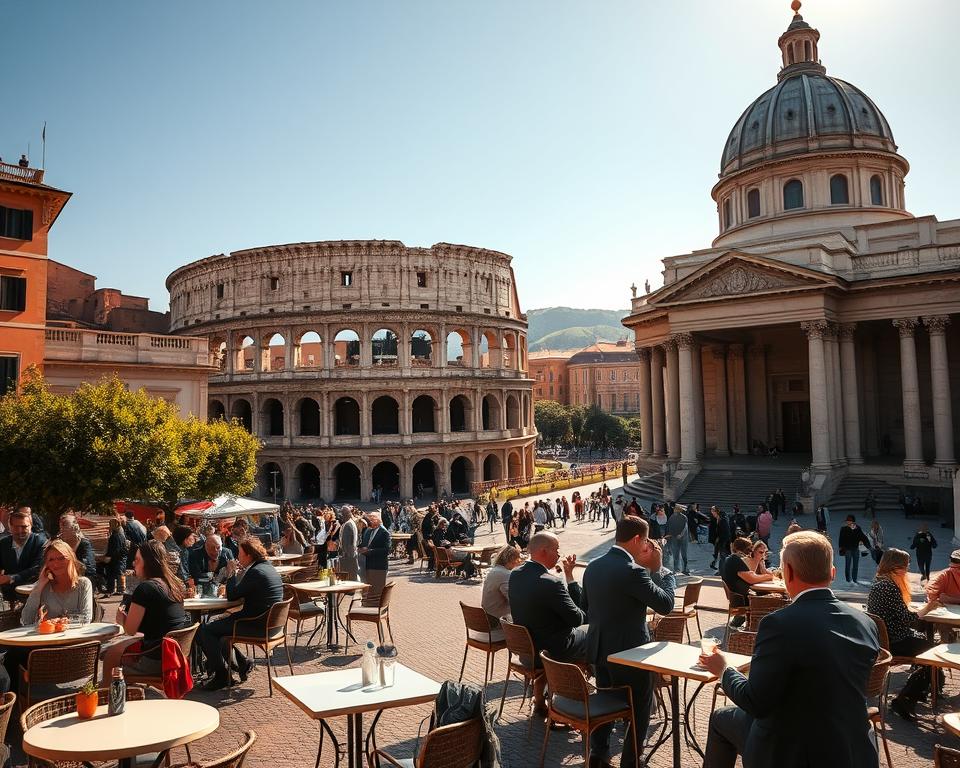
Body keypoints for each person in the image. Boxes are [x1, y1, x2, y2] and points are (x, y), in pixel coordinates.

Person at [702, 531, 881, 768]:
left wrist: (724, 669)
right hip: (851, 746)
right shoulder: (865, 622)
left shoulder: (779, 623)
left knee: (720, 718)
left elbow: (755, 701)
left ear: (787, 573)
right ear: (833, 573)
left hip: (792, 749)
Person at [582, 515, 675, 768]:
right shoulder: (633, 571)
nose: (647, 545)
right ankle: (631, 760)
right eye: (645, 540)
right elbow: (666, 605)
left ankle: (598, 754)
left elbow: (585, 607)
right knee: (639, 708)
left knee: (606, 703)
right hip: (631, 653)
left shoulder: (592, 566)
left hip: (600, 649)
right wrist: (659, 569)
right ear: (637, 539)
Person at [508, 531, 586, 712]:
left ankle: (540, 699)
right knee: (595, 635)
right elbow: (577, 619)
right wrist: (571, 581)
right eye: (556, 550)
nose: (559, 554)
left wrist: (567, 574)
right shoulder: (550, 582)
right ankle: (572, 703)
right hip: (552, 649)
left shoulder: (516, 574)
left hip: (527, 649)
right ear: (544, 551)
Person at [199, 538, 284, 690]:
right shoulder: (267, 568)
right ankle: (243, 662)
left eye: (240, 554)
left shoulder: (256, 572)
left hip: (256, 625)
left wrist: (231, 572)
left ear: (249, 556)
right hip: (271, 624)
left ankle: (222, 676)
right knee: (219, 627)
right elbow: (244, 592)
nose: (238, 557)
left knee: (204, 630)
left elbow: (232, 595)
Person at [867, 548, 941, 720]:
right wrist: (929, 607)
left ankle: (923, 689)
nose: (908, 570)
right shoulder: (889, 586)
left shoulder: (880, 582)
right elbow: (910, 620)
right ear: (896, 567)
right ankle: (905, 699)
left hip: (886, 639)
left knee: (930, 647)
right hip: (895, 641)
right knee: (936, 655)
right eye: (906, 566)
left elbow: (900, 614)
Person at [101, 540, 188, 681]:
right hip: (176, 654)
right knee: (116, 649)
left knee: (110, 656)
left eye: (137, 560)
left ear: (148, 562)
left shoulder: (145, 588)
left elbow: (130, 631)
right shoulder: (174, 584)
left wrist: (121, 618)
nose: (134, 564)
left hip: (157, 658)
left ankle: (108, 697)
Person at [21, 539, 94, 625]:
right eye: (51, 560)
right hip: (48, 636)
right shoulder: (43, 585)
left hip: (75, 636)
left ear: (71, 558)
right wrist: (39, 587)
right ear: (46, 564)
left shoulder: (83, 584)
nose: (56, 563)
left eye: (61, 558)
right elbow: (26, 620)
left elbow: (85, 619)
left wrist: (56, 622)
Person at [721, 537, 774, 626]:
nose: (751, 552)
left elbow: (751, 576)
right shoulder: (735, 560)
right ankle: (757, 627)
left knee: (767, 595)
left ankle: (746, 623)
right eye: (750, 549)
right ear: (744, 550)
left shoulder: (732, 559)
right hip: (741, 599)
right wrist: (768, 577)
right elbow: (752, 579)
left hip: (739, 596)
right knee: (771, 601)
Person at [0, 508, 47, 603]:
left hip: (33, 591)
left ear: (31, 526)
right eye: (16, 527)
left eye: (24, 527)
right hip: (9, 592)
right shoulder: (3, 543)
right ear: (10, 527)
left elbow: (37, 569)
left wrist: (11, 578)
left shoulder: (40, 543)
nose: (20, 530)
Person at [481, 545, 522, 628]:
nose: (518, 563)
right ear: (511, 559)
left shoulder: (494, 570)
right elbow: (513, 599)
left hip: (487, 615)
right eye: (517, 560)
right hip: (496, 620)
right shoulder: (505, 574)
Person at [358, 512, 390, 603]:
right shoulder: (368, 531)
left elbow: (386, 550)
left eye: (372, 519)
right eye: (370, 519)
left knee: (378, 590)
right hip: (368, 565)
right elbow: (365, 544)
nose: (370, 521)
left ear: (378, 520)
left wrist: (370, 551)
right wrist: (360, 548)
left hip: (379, 566)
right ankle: (369, 605)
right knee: (369, 589)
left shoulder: (384, 532)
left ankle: (377, 608)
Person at [838, 515, 871, 585]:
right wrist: (841, 548)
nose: (848, 522)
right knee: (848, 565)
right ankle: (848, 580)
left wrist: (868, 545)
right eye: (847, 521)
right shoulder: (843, 529)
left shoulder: (857, 528)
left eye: (850, 521)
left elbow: (863, 537)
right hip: (847, 549)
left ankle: (854, 579)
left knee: (855, 565)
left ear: (853, 522)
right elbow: (841, 539)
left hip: (855, 549)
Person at [100, 517, 129, 597]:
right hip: (118, 557)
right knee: (116, 573)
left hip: (117, 558)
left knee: (116, 573)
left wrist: (108, 556)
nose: (110, 525)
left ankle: (118, 589)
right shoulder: (119, 532)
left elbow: (115, 548)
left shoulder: (117, 535)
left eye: (111, 524)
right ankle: (116, 589)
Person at [664, 505, 689, 575]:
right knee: (676, 554)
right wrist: (669, 535)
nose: (674, 510)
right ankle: (676, 569)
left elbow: (685, 527)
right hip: (674, 538)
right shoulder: (671, 517)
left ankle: (685, 569)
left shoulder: (684, 517)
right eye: (674, 509)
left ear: (679, 510)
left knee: (684, 554)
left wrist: (681, 534)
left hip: (683, 538)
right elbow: (669, 527)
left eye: (676, 509)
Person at [338, 507, 359, 581]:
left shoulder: (348, 525)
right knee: (350, 574)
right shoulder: (349, 523)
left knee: (349, 574)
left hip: (348, 555)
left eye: (342, 514)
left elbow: (348, 542)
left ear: (346, 514)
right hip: (350, 553)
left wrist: (345, 553)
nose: (341, 516)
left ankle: (350, 590)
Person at [709, 506, 731, 570]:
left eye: (712, 512)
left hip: (723, 540)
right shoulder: (718, 518)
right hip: (720, 540)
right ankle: (720, 569)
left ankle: (722, 570)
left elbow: (725, 531)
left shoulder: (722, 520)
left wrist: (721, 540)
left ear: (716, 512)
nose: (712, 514)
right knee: (720, 555)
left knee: (723, 556)